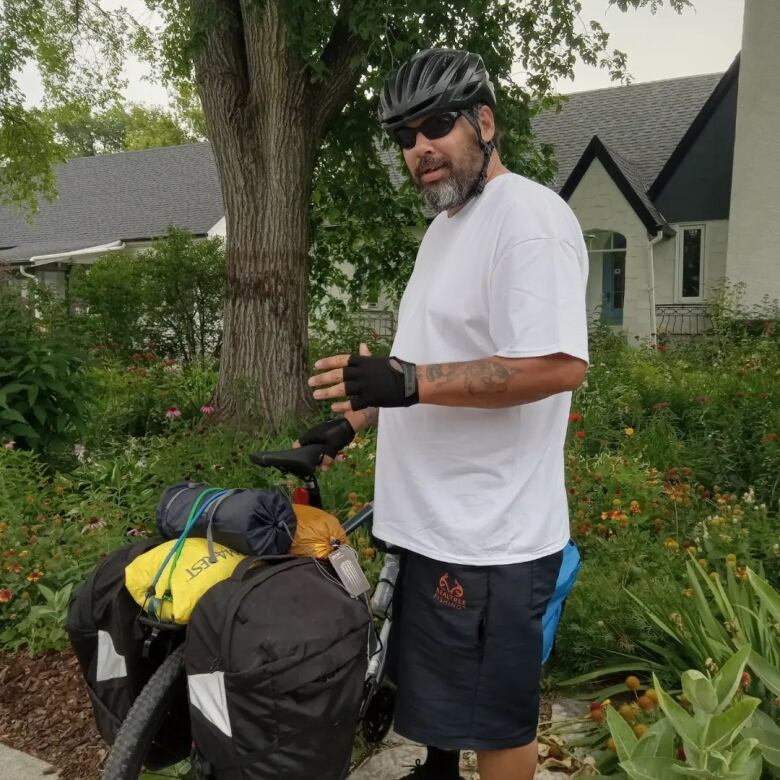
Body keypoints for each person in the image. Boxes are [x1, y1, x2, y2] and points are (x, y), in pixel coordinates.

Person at [304, 48, 589, 780]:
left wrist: (411, 383)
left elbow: (559, 366)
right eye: (404, 136)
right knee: (434, 695)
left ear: (484, 122)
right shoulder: (444, 229)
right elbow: (413, 363)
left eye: (436, 125)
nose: (419, 148)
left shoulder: (528, 219)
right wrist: (355, 420)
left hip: (491, 538)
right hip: (433, 523)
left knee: (497, 724)